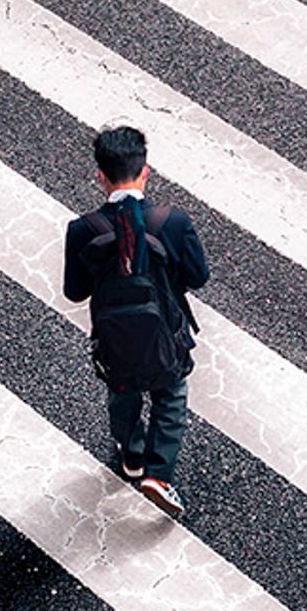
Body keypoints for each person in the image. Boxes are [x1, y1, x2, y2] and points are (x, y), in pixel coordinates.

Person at [63, 123, 210, 522]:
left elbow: (75, 292)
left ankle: (130, 455)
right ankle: (158, 475)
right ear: (146, 171)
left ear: (100, 176)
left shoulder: (82, 229)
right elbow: (198, 277)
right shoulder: (172, 222)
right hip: (165, 334)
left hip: (114, 339)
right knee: (170, 396)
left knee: (122, 392)